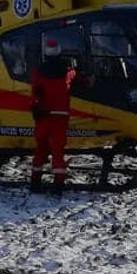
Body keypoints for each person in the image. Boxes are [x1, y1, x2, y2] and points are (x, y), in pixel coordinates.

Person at [29, 45, 87, 192]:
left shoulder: (38, 72)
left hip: (43, 116)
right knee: (57, 152)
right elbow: (79, 78)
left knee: (40, 149)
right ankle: (58, 184)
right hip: (60, 117)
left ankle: (35, 182)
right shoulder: (67, 72)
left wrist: (35, 107)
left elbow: (35, 91)